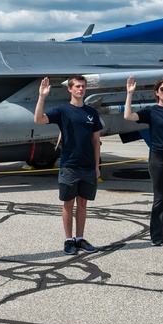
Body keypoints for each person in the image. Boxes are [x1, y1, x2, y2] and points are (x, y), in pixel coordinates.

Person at [33, 75, 102, 255]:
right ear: (70, 89)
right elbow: (38, 119)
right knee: (68, 203)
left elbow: (96, 141)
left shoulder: (91, 113)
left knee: (83, 203)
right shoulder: (62, 110)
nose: (80, 89)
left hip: (87, 166)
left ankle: (79, 239)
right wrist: (42, 97)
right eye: (77, 86)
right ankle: (68, 239)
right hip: (69, 165)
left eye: (83, 86)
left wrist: (96, 166)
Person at [123, 76, 163, 245]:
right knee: (159, 198)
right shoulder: (150, 111)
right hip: (158, 158)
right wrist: (130, 93)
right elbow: (128, 116)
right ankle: (156, 236)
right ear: (157, 93)